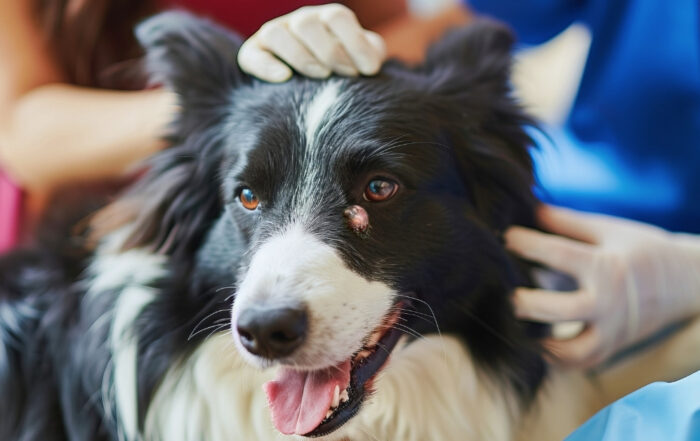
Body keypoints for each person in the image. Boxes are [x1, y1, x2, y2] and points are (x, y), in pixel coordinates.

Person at [1, 1, 471, 254]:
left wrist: (343, 55)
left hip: (331, 234)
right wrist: (240, 101)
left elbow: (404, 26)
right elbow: (22, 128)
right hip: (89, 257)